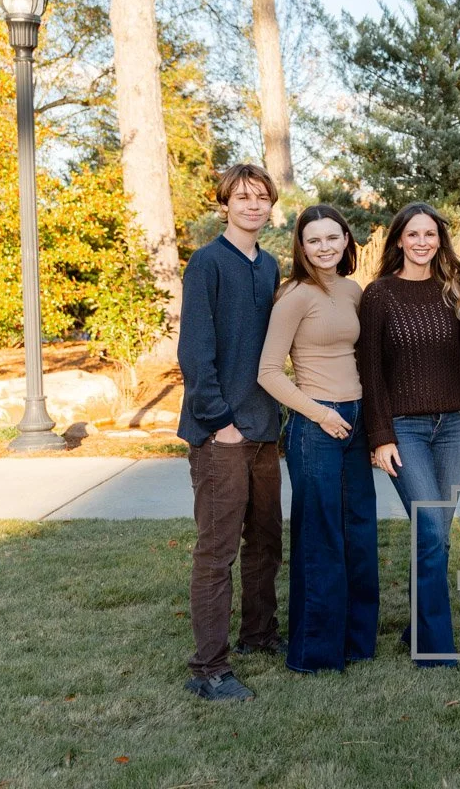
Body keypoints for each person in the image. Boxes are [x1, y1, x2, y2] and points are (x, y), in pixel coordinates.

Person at [176, 163, 284, 703]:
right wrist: (218, 422)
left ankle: (259, 635)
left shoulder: (269, 266)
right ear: (225, 204)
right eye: (242, 198)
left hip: (265, 429)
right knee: (217, 552)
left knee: (266, 543)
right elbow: (194, 353)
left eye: (261, 197)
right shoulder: (207, 264)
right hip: (220, 434)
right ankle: (208, 668)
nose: (252, 206)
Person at [257, 204, 378, 674]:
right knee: (320, 538)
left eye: (333, 237)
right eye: (314, 240)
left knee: (359, 532)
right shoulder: (294, 296)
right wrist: (319, 413)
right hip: (315, 428)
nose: (324, 247)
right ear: (301, 247)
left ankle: (355, 642)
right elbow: (268, 372)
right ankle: (314, 652)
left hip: (355, 421)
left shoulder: (352, 290)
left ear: (346, 241)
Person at [358, 202, 460, 666]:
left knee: (437, 533)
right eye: (413, 234)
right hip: (404, 429)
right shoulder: (379, 294)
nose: (422, 242)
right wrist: (379, 435)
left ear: (439, 240)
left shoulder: (454, 292)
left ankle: (417, 626)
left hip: (454, 426)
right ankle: (434, 648)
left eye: (431, 234)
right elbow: (371, 371)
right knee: (429, 527)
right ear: (399, 240)